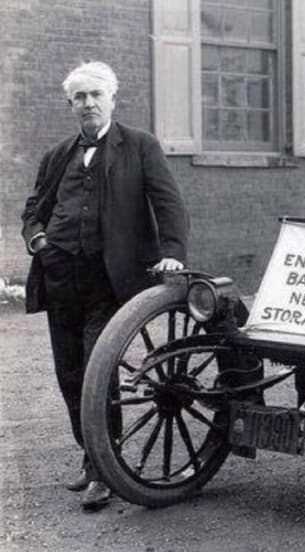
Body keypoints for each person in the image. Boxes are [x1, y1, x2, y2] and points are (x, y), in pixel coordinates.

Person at [21, 61, 189, 510]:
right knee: (69, 374)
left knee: (99, 373)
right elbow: (34, 208)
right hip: (60, 278)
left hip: (108, 280)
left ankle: (103, 470)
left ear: (113, 98)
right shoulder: (58, 155)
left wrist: (171, 250)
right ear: (70, 105)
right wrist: (37, 239)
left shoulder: (139, 146)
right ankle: (89, 454)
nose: (88, 103)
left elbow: (168, 202)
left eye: (96, 95)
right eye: (80, 97)